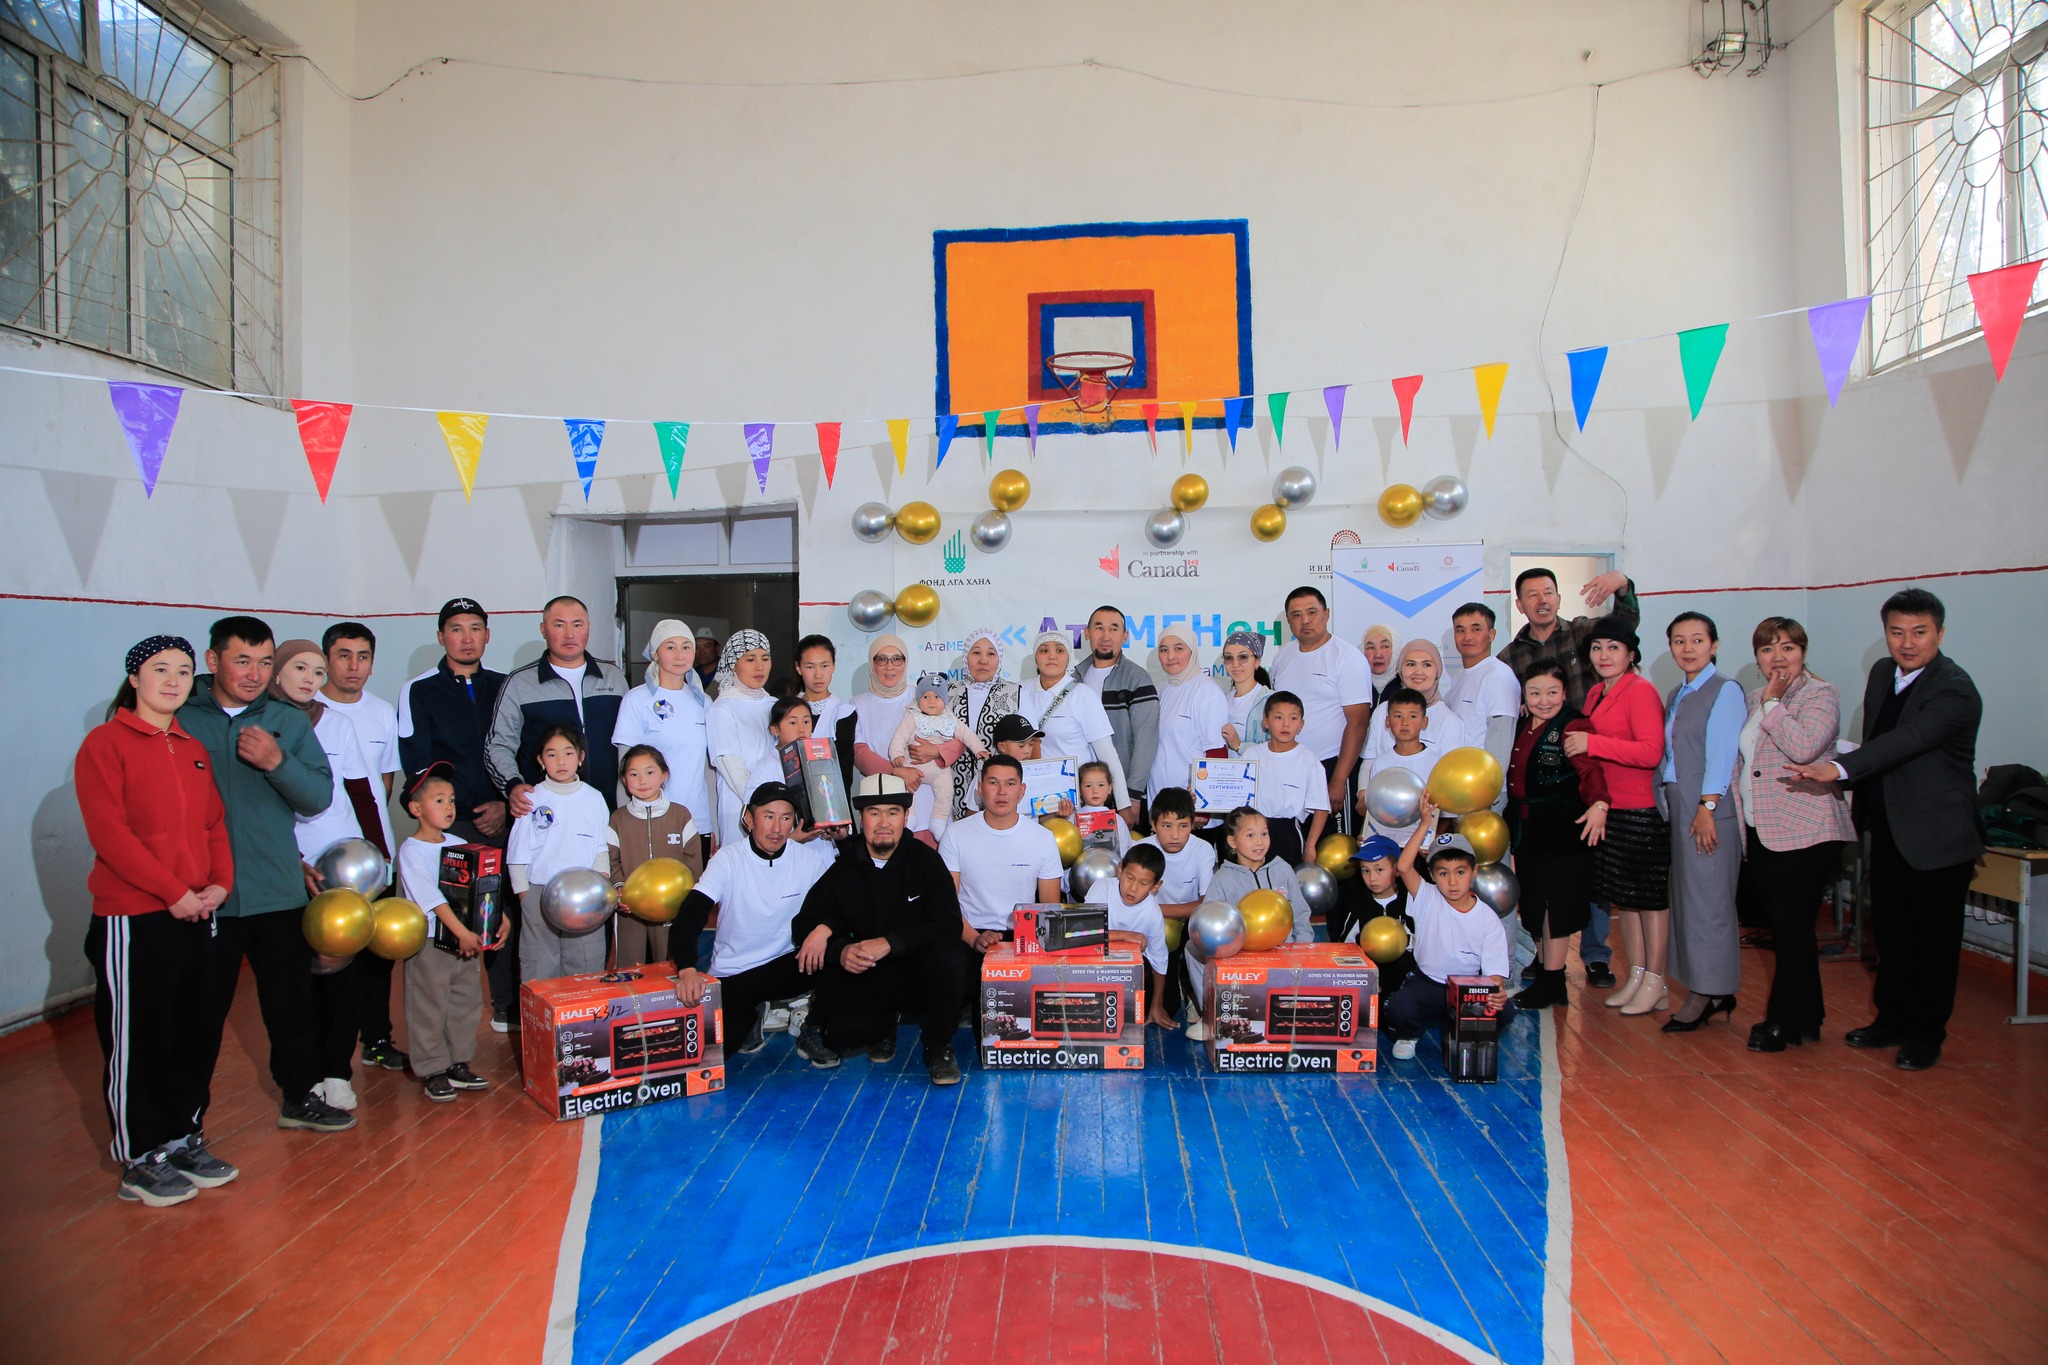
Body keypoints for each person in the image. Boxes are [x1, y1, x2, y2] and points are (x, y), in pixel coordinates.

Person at [1788, 588, 1982, 1072]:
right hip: (1891, 828)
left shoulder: (1955, 689)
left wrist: (1839, 769)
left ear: (1940, 633)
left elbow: (1906, 741)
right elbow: (1877, 739)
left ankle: (1926, 1035)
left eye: (1919, 632)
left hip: (1938, 834)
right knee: (1891, 933)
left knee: (1933, 941)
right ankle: (1891, 1020)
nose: (1907, 643)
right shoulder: (1882, 673)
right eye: (1897, 632)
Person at [75, 635, 236, 1206]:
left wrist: (220, 884)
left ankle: (181, 1137)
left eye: (184, 671)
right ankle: (140, 1156)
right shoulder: (105, 744)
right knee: (139, 1037)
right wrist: (172, 892)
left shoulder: (191, 746)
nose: (173, 680)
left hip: (197, 912)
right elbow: (110, 834)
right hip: (135, 916)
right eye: (160, 669)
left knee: (195, 1030)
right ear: (135, 678)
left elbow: (213, 824)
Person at [180, 616, 351, 1134]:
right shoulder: (181, 717)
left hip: (276, 887)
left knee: (290, 1004)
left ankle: (299, 1096)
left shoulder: (287, 720)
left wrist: (278, 761)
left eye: (263, 662)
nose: (254, 674)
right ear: (213, 661)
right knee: (198, 1014)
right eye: (242, 661)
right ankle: (184, 1122)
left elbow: (318, 797)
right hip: (204, 893)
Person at [1501, 565, 1640, 990]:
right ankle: (1547, 962)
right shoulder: (1509, 657)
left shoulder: (1582, 632)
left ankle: (1595, 955)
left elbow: (1624, 627)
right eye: (1532, 594)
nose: (1541, 600)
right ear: (1520, 604)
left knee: (1584, 879)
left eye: (1548, 592)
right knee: (1542, 886)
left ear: (1559, 598)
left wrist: (1623, 587)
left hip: (1586, 761)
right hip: (1540, 781)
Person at [270, 639, 393, 1112]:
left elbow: (363, 791)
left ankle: (337, 1071)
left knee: (344, 974)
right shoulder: (263, 724)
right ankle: (304, 1077)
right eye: (300, 668)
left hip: (344, 866)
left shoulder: (337, 722)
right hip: (292, 865)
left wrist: (380, 857)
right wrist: (289, 860)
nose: (310, 679)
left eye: (317, 672)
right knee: (298, 978)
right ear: (276, 672)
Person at [791, 774, 973, 1085]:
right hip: (871, 972)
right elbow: (804, 925)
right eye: (874, 813)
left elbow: (948, 923)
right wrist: (838, 948)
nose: (884, 822)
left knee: (951, 958)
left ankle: (939, 1045)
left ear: (906, 816)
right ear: (861, 818)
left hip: (919, 971)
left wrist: (891, 943)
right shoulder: (844, 867)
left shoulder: (926, 862)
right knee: (843, 1040)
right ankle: (882, 1024)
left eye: (893, 812)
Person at [399, 598, 520, 1030]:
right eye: (456, 629)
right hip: (455, 824)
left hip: (506, 817)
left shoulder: (505, 685)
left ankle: (508, 1005)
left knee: (507, 912)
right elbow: (418, 763)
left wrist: (503, 802)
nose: (467, 638)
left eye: (475, 628)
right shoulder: (420, 690)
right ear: (441, 636)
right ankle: (449, 1023)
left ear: (487, 635)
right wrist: (464, 808)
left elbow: (517, 748)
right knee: (460, 917)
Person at [1736, 618, 1852, 1053]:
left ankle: (1782, 1021)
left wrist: (1774, 705)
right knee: (1788, 927)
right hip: (1761, 826)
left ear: (1803, 652)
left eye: (1788, 648)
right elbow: (1745, 764)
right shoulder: (1752, 698)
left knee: (1791, 926)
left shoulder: (1820, 694)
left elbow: (1804, 747)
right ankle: (1808, 1015)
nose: (1778, 658)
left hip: (1807, 827)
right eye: (1768, 649)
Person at [671, 781, 836, 1056]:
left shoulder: (809, 859)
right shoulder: (728, 859)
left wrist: (824, 929)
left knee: (840, 952)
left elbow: (836, 907)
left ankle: (813, 1026)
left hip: (788, 961)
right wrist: (687, 969)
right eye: (768, 816)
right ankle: (755, 1011)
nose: (777, 828)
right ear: (749, 819)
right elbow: (691, 913)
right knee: (717, 1050)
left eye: (785, 818)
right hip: (737, 971)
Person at [1562, 619, 1669, 1016]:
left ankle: (1657, 980)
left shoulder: (1640, 691)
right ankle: (1638, 976)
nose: (1604, 655)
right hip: (1609, 809)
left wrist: (1594, 742)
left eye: (1613, 648)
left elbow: (1650, 752)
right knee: (1627, 901)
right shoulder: (1595, 693)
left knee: (1650, 900)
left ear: (1631, 654)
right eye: (1597, 648)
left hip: (1640, 809)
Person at [318, 623, 407, 1076]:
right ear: (326, 660)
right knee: (330, 958)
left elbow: (383, 783)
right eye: (343, 655)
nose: (354, 666)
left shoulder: (381, 712)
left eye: (363, 656)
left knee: (377, 955)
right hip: (323, 860)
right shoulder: (307, 713)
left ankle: (376, 1040)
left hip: (375, 854)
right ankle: (325, 1057)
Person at [1656, 613, 1747, 1033]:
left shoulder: (1724, 690)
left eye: (1697, 640)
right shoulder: (1678, 692)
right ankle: (1709, 986)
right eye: (1679, 641)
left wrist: (1707, 807)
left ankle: (1708, 992)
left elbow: (1723, 755)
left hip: (1707, 811)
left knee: (1710, 904)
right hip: (1682, 808)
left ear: (1714, 645)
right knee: (1689, 902)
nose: (1688, 648)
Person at [396, 763, 504, 1103]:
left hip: (465, 939)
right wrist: (461, 932)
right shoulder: (411, 851)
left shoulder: (459, 843)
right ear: (416, 809)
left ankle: (458, 1062)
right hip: (431, 941)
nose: (449, 807)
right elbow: (434, 900)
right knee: (428, 1004)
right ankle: (433, 1069)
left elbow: (483, 886)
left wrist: (498, 919)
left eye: (452, 800)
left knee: (465, 1001)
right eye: (439, 800)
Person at [1505, 659, 1604, 1010]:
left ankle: (1553, 979)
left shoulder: (1573, 725)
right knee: (1534, 902)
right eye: (1535, 693)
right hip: (1528, 830)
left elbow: (1591, 772)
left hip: (1562, 828)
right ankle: (1547, 975)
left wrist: (1600, 804)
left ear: (1564, 693)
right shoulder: (1521, 723)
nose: (1543, 700)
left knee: (1555, 905)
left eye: (1551, 692)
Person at [1379, 818, 1512, 1062]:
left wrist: (1497, 992)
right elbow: (1404, 866)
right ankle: (1409, 1035)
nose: (1452, 882)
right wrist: (1425, 824)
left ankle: (1463, 1030)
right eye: (1443, 873)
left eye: (1460, 872)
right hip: (1427, 983)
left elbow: (1494, 974)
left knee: (1505, 1011)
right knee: (1398, 1006)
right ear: (1432, 874)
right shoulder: (1427, 896)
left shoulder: (1488, 919)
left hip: (1467, 990)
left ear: (1474, 872)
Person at [488, 596, 630, 824]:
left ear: (588, 627)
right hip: (546, 814)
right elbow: (498, 745)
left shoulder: (613, 676)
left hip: (611, 809)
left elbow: (632, 741)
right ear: (543, 629)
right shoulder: (519, 683)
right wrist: (512, 785)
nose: (569, 634)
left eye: (577, 624)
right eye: (559, 625)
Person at [507, 725, 618, 982]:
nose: (560, 761)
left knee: (585, 965)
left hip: (584, 896)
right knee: (539, 966)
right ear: (540, 760)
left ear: (580, 757)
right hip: (539, 891)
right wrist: (525, 896)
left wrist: (599, 886)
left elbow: (600, 847)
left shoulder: (594, 798)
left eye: (568, 753)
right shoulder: (531, 799)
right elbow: (517, 853)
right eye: (551, 754)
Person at [1270, 587, 1372, 834]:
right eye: (1296, 615)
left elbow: (1358, 723)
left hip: (1331, 766)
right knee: (1296, 841)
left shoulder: (1347, 657)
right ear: (1288, 620)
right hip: (1290, 767)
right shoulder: (1283, 656)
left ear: (1326, 614)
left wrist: (1338, 780)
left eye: (1312, 612)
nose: (1305, 620)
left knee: (1334, 846)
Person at [611, 620, 714, 857]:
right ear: (655, 654)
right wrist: (625, 825)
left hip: (697, 822)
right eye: (670, 647)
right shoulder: (636, 700)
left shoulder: (704, 702)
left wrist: (713, 826)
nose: (680, 655)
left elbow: (708, 771)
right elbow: (624, 770)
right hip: (651, 821)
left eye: (686, 647)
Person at [941, 756, 1065, 950]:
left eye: (1010, 783)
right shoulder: (955, 833)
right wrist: (974, 939)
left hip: (1024, 935)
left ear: (1021, 791)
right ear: (980, 789)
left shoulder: (1043, 838)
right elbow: (945, 901)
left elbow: (1050, 906)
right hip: (967, 933)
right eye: (993, 783)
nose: (1002, 791)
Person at [609, 745, 705, 970]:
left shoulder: (680, 815)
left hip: (671, 909)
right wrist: (620, 889)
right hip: (629, 909)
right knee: (629, 968)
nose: (642, 781)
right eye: (634, 774)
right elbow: (612, 861)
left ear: (664, 775)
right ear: (624, 780)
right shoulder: (618, 819)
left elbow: (693, 860)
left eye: (650, 772)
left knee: (670, 964)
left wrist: (686, 897)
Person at [1019, 631, 1132, 814]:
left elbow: (1107, 753)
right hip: (1031, 796)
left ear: (1068, 658)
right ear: (1035, 658)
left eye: (1059, 650)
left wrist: (1123, 806)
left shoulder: (1083, 695)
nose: (1052, 656)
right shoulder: (1020, 691)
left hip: (1074, 800)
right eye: (1044, 650)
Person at [851, 634, 951, 837]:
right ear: (872, 664)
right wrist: (896, 772)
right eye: (882, 659)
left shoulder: (923, 696)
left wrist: (937, 750)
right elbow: (858, 753)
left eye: (897, 659)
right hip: (880, 807)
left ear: (905, 663)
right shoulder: (856, 705)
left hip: (929, 805)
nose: (890, 666)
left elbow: (955, 735)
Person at [1137, 787, 1216, 1025]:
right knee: (1166, 1007)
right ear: (1153, 825)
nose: (1174, 835)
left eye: (1182, 826)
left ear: (1193, 825)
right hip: (1155, 927)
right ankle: (1173, 983)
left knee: (1208, 926)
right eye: (1166, 825)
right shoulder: (1140, 850)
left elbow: (1206, 903)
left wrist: (1159, 910)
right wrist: (1155, 915)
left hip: (1191, 923)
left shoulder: (1202, 849)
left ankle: (1194, 988)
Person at [1076, 606, 1157, 828]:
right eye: (1099, 628)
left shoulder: (1137, 678)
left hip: (1122, 797)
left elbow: (1146, 740)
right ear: (1087, 633)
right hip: (1081, 794)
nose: (1105, 636)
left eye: (1113, 629)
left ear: (1125, 637)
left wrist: (1132, 795)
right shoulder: (1074, 679)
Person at [703, 630, 779, 854]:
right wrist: (764, 804)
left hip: (779, 807)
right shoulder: (722, 708)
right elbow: (731, 766)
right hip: (741, 808)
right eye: (750, 659)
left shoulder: (775, 705)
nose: (759, 667)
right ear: (733, 665)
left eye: (765, 658)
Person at [889, 673, 988, 838]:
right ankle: (910, 818)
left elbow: (967, 735)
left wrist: (979, 749)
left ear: (945, 700)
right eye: (926, 697)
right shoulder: (912, 718)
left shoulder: (951, 720)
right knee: (906, 791)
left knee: (946, 792)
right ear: (918, 699)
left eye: (937, 697)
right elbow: (899, 738)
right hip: (912, 766)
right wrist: (896, 755)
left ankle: (938, 821)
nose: (931, 701)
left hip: (939, 770)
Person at [1084, 844, 1172, 1025]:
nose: (1133, 888)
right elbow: (1083, 934)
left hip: (1125, 970)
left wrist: (1157, 1004)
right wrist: (1123, 935)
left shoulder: (1152, 913)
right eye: (1129, 878)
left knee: (1170, 1003)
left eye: (1143, 884)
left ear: (1156, 885)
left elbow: (1159, 959)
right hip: (1093, 961)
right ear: (1120, 870)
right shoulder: (1102, 888)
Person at [1239, 691, 1329, 867]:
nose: (1286, 724)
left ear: (1301, 724)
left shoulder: (1308, 759)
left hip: (1288, 834)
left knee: (1286, 881)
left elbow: (1321, 808)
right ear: (1266, 721)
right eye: (1278, 717)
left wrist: (1310, 845)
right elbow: (1234, 795)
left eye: (1293, 718)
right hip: (1252, 831)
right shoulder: (1252, 755)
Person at [1445, 604, 1520, 807]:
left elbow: (1500, 739)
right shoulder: (1460, 676)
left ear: (1492, 634)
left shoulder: (1498, 676)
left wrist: (1489, 790)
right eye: (1460, 630)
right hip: (1461, 786)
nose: (1467, 637)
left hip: (1485, 792)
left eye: (1476, 629)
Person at [944, 628, 1021, 820]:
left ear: (999, 659)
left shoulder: (1016, 693)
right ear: (966, 657)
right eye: (976, 652)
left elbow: (1031, 746)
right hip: (949, 791)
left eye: (991, 654)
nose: (983, 660)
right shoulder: (947, 694)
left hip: (1001, 796)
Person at [1148, 623, 1228, 802]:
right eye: (1164, 650)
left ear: (1192, 651)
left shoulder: (1207, 691)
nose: (1170, 656)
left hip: (1192, 803)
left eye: (1178, 648)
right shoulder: (1160, 691)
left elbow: (1216, 752)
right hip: (1159, 799)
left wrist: (1204, 803)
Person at [1354, 687, 1442, 848]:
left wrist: (1432, 842)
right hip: (1386, 847)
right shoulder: (1381, 763)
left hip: (1421, 846)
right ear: (1387, 722)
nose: (1405, 722)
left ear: (1424, 722)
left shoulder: (1436, 764)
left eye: (1413, 716)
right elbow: (1375, 810)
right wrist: (1366, 835)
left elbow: (1439, 810)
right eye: (1398, 716)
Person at [1363, 639, 1469, 761]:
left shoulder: (1450, 721)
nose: (1418, 672)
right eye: (1410, 664)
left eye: (1427, 665)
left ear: (1437, 671)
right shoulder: (1383, 711)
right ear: (1400, 670)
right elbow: (1369, 763)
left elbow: (1450, 769)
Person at [1345, 835, 1414, 994]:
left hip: (1408, 984)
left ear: (1397, 869)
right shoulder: (1358, 904)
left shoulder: (1410, 901)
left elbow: (1425, 943)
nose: (1372, 878)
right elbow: (1347, 948)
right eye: (1365, 871)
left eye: (1379, 870)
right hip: (1371, 984)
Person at [1218, 630, 1272, 755]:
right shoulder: (1221, 699)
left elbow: (1279, 750)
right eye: (1229, 658)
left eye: (1243, 657)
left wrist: (1239, 745)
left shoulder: (1270, 701)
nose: (1235, 664)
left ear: (1257, 662)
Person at [1363, 625, 1400, 705]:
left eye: (1385, 647)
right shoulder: (1355, 685)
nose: (1377, 655)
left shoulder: (1406, 686)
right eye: (1370, 647)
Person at [692, 627, 721, 693]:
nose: (701, 652)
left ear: (717, 648)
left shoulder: (730, 673)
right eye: (697, 647)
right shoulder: (691, 676)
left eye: (707, 646)